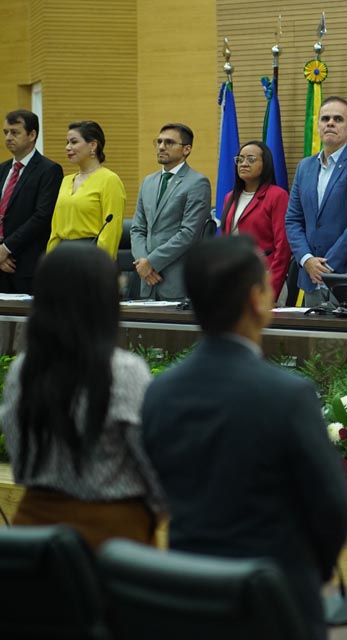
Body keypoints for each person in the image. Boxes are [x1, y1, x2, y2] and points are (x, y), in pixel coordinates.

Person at [141, 235, 347, 639]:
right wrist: (311, 572)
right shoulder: (288, 395)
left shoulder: (161, 390)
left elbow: (156, 491)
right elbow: (333, 504)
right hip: (274, 601)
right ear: (257, 300)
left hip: (186, 595)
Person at [0, 244, 164, 549]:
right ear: (105, 300)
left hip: (30, 535)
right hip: (114, 542)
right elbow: (155, 466)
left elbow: (18, 452)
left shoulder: (22, 369)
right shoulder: (125, 371)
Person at [285, 96, 347, 307]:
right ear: (318, 126)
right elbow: (292, 219)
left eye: (338, 119)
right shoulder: (304, 167)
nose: (330, 123)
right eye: (325, 118)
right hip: (310, 278)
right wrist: (307, 259)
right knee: (313, 339)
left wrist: (327, 266)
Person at [130, 123, 212, 300]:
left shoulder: (197, 183)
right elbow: (138, 228)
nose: (161, 147)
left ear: (186, 149)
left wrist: (152, 262)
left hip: (177, 279)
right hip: (147, 280)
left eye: (169, 142)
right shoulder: (148, 182)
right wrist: (143, 264)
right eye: (158, 141)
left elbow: (189, 233)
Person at [0, 110, 63, 293]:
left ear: (32, 134)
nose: (9, 137)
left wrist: (6, 248)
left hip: (26, 265)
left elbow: (42, 217)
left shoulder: (49, 170)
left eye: (15, 132)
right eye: (6, 132)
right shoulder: (3, 169)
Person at [221, 140, 291, 297]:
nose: (243, 164)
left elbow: (283, 247)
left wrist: (271, 288)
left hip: (264, 279)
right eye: (240, 159)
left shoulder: (277, 196)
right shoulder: (230, 197)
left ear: (265, 164)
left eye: (251, 159)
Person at [46, 121, 125, 257]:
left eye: (74, 142)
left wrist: (101, 266)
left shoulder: (109, 180)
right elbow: (55, 230)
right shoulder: (66, 180)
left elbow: (111, 231)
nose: (67, 147)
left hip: (91, 257)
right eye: (67, 142)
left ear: (93, 145)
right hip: (62, 256)